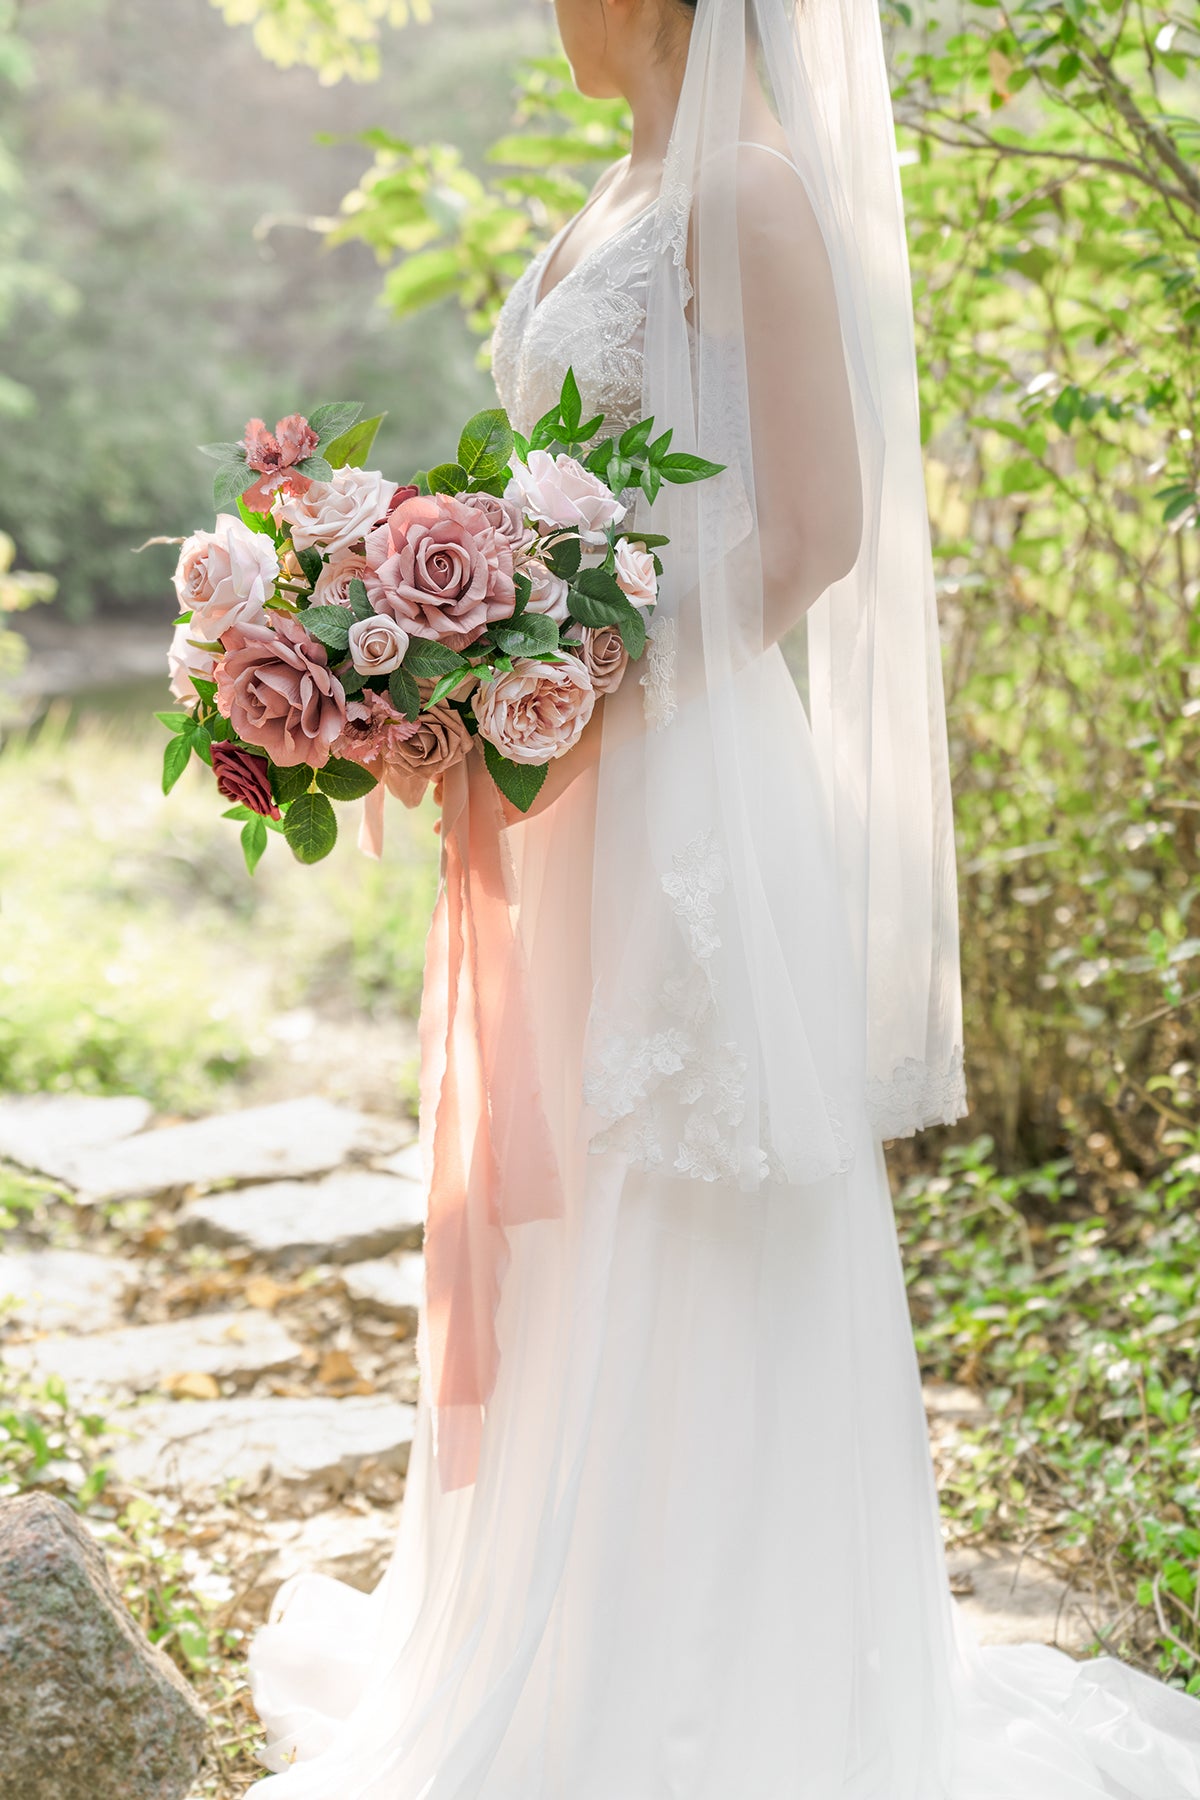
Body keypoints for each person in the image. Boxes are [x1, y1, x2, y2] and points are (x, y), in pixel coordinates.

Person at [246, 2, 1200, 1794]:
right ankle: (567, 1624)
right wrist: (424, 652)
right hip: (573, 782)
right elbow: (550, 512)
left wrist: (577, 689)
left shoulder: (751, 196)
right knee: (572, 1186)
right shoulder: (604, 199)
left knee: (679, 1170)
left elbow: (815, 530)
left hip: (682, 784)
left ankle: (712, 1678)